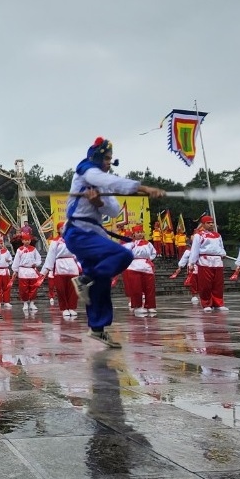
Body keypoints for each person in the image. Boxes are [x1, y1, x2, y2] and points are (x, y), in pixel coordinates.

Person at [63, 137, 165, 347]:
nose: (110, 162)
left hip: (93, 235)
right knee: (124, 254)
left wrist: (99, 202)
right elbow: (110, 181)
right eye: (107, 158)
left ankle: (98, 328)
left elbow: (113, 209)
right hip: (79, 233)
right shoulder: (86, 171)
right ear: (98, 157)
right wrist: (143, 188)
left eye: (111, 159)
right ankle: (85, 278)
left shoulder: (101, 181)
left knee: (101, 283)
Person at [189, 216, 228, 312]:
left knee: (218, 284)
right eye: (208, 223)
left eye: (212, 222)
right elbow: (195, 249)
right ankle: (206, 303)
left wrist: (223, 253)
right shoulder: (199, 235)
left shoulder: (218, 235)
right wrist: (192, 262)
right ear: (203, 224)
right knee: (205, 284)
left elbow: (221, 247)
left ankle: (218, 303)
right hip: (204, 260)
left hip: (217, 260)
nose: (211, 224)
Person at [42, 233, 80, 318]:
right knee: (60, 289)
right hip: (60, 266)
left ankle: (72, 307)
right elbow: (50, 256)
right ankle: (64, 308)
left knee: (73, 288)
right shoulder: (54, 242)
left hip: (72, 266)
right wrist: (45, 271)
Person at [122, 225, 158, 316]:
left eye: (141, 232)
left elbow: (154, 253)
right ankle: (137, 306)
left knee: (149, 287)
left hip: (146, 266)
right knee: (136, 288)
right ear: (134, 234)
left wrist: (149, 259)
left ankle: (150, 306)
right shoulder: (129, 243)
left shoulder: (148, 243)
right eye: (138, 232)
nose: (140, 234)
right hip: (133, 266)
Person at [11, 229, 43, 314]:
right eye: (25, 240)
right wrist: (15, 271)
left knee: (33, 287)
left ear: (30, 240)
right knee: (23, 289)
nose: (27, 241)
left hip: (32, 271)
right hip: (23, 271)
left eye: (28, 240)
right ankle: (25, 303)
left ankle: (32, 303)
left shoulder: (34, 249)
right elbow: (16, 261)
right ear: (22, 241)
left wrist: (36, 264)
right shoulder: (19, 250)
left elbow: (39, 259)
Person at [0, 235, 14, 309]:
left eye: (1, 243)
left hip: (5, 271)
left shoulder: (6, 252)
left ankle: (7, 302)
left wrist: (8, 260)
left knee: (6, 287)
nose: (0, 245)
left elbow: (11, 260)